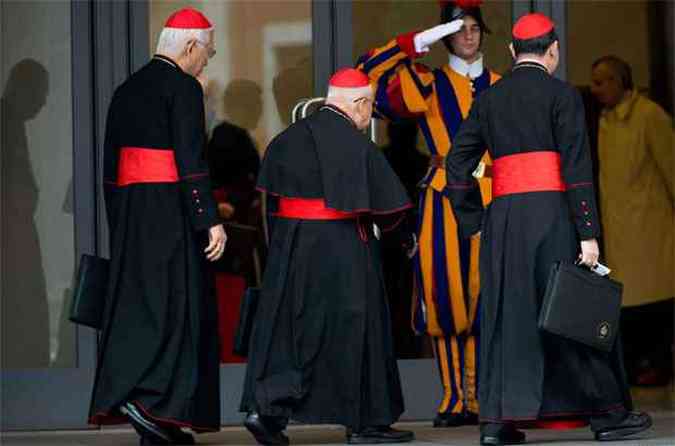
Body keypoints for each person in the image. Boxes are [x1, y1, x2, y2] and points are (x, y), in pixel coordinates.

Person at [444, 13, 652, 445]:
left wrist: (473, 220)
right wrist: (589, 232)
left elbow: (457, 164)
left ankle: (498, 424)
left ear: (511, 52)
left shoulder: (488, 99)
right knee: (572, 311)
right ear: (553, 51)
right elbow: (577, 170)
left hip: (503, 219)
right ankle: (607, 416)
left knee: (508, 315)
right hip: (554, 215)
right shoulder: (563, 96)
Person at [240, 68, 415, 445]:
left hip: (291, 247)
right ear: (358, 104)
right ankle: (365, 422)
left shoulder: (285, 140)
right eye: (370, 106)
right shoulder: (358, 145)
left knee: (286, 330)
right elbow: (391, 211)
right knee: (359, 328)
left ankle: (265, 411)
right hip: (344, 247)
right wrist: (405, 240)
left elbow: (269, 205)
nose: (370, 115)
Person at [356, 0, 500, 427]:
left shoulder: (501, 83)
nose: (469, 35)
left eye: (475, 27)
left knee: (490, 295)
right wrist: (414, 43)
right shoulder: (428, 83)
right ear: (446, 36)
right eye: (459, 29)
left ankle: (488, 395)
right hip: (442, 198)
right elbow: (367, 76)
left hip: (495, 196)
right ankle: (456, 398)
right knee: (445, 297)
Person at [88, 8, 226, 445]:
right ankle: (154, 406)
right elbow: (190, 159)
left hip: (133, 214)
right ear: (189, 47)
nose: (208, 59)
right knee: (177, 311)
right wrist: (210, 221)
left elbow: (110, 169)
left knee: (142, 310)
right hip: (172, 213)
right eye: (208, 51)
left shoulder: (126, 88)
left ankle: (159, 428)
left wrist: (121, 220)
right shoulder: (183, 87)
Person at [590, 55, 674, 386]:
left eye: (601, 82)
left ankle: (656, 365)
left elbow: (670, 165)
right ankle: (641, 367)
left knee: (653, 300)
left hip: (651, 227)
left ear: (619, 82)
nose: (595, 90)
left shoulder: (649, 115)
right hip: (620, 228)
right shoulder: (604, 120)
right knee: (629, 302)